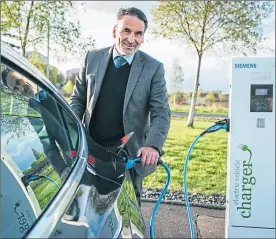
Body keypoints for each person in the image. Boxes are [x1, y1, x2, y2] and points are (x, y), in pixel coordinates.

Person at [70, 7, 170, 206]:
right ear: (115, 31)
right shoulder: (91, 58)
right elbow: (78, 100)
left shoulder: (153, 68)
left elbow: (161, 113)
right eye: (126, 31)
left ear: (143, 38)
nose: (131, 39)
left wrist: (152, 145)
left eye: (138, 34)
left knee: (127, 214)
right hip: (90, 150)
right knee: (86, 208)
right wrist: (71, 132)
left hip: (128, 156)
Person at [1, 68, 70, 180]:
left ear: (24, 73)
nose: (21, 89)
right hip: (75, 158)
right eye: (15, 88)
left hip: (94, 145)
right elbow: (48, 144)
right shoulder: (32, 112)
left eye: (18, 82)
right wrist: (62, 169)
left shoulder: (53, 87)